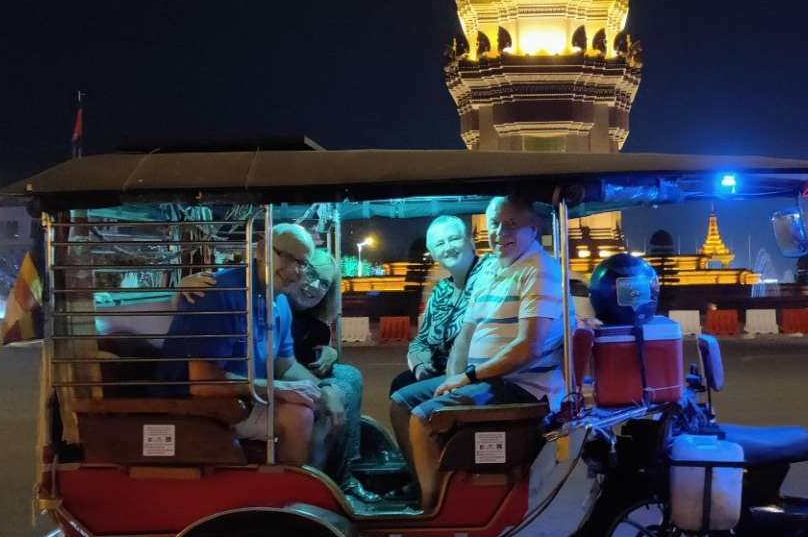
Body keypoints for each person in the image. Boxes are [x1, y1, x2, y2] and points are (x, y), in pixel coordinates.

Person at [389, 195, 568, 510]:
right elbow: (466, 335)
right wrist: (452, 378)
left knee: (423, 418)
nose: (500, 233)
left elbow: (529, 347)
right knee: (401, 402)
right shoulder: (492, 270)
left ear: (534, 229)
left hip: (521, 386)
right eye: (494, 224)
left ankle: (432, 509)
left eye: (511, 224)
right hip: (488, 380)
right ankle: (429, 483)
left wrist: (467, 377)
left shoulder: (539, 269)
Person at [176, 245, 377, 500]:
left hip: (270, 379)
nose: (312, 285)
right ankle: (320, 487)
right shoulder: (248, 296)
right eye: (307, 271)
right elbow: (205, 378)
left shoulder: (293, 310)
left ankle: (336, 477)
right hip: (249, 388)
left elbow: (288, 362)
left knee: (347, 379)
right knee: (337, 388)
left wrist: (326, 372)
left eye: (324, 284)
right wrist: (183, 285)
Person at [157, 224, 340, 467]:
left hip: (241, 398)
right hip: (193, 407)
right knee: (298, 416)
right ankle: (291, 496)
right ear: (262, 250)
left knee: (328, 404)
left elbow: (285, 366)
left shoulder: (280, 301)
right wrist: (280, 389)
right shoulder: (220, 293)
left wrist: (324, 390)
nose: (295, 271)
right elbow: (203, 384)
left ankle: (323, 483)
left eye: (302, 263)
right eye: (287, 258)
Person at [390, 215, 494, 394]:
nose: (448, 248)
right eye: (440, 244)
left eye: (454, 239)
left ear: (470, 241)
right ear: (433, 254)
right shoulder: (441, 291)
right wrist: (420, 366)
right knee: (402, 382)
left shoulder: (490, 273)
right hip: (439, 371)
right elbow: (420, 341)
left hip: (477, 373)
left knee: (404, 393)